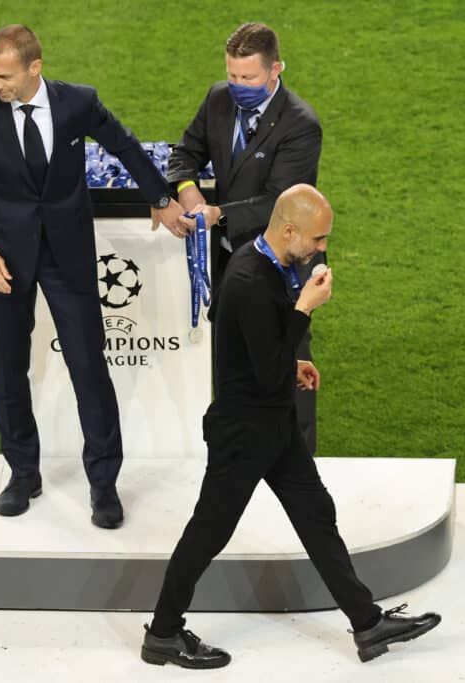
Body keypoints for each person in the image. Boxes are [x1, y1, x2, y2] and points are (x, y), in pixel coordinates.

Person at [140, 184, 440, 668]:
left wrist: (292, 365)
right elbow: (261, 366)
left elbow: (250, 342)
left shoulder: (264, 263)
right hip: (243, 434)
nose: (322, 249)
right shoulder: (249, 279)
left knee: (316, 515)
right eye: (318, 239)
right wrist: (304, 310)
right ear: (289, 230)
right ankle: (163, 634)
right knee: (208, 533)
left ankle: (367, 624)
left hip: (273, 424)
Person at [0, 25, 188, 527]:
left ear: (34, 67)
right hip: (5, 262)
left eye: (5, 75)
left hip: (68, 257)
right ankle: (22, 474)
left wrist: (162, 198)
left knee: (88, 367)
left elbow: (124, 145)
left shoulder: (77, 103)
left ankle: (103, 485)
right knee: (7, 370)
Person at [168, 21, 325, 454]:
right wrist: (188, 191)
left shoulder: (300, 125)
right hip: (228, 262)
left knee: (287, 362)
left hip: (279, 264)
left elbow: (278, 203)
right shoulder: (218, 100)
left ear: (276, 69)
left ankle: (297, 460)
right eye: (233, 76)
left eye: (249, 78)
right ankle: (239, 452)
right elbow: (184, 154)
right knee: (231, 363)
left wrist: (218, 213)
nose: (238, 86)